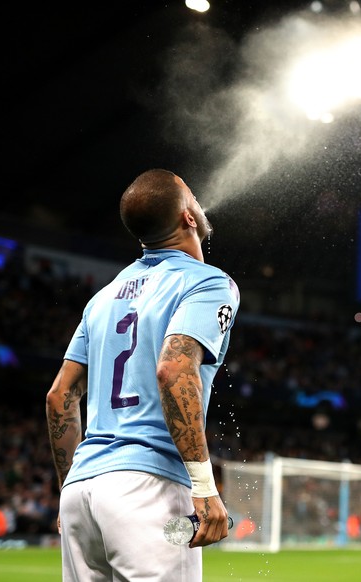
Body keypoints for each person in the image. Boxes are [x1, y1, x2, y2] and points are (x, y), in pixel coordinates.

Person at [46, 169, 240, 581]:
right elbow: (173, 369)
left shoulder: (102, 298)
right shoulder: (207, 283)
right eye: (193, 197)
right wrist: (204, 487)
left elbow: (59, 396)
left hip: (82, 492)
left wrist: (71, 487)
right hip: (148, 488)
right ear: (189, 217)